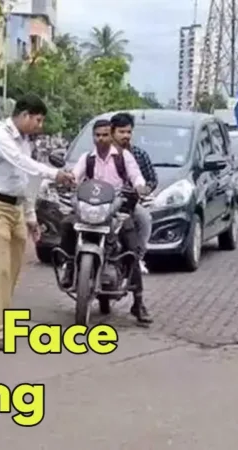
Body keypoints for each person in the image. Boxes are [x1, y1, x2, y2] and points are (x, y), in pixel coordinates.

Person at [0, 94, 75, 350]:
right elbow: (22, 163)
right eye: (37, 120)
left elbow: (25, 181)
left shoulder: (25, 142)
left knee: (12, 270)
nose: (39, 126)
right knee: (0, 270)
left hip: (16, 209)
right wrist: (55, 174)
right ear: (23, 115)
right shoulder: (0, 136)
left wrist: (30, 216)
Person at [58, 119, 153, 324]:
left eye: (105, 135)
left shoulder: (123, 157)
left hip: (116, 211)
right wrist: (68, 181)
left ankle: (138, 302)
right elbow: (75, 176)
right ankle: (69, 267)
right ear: (93, 137)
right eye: (97, 135)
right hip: (90, 209)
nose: (101, 139)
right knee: (66, 224)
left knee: (132, 250)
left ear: (111, 135)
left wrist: (139, 186)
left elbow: (136, 176)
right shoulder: (87, 158)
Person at [110, 112, 158, 274]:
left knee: (144, 218)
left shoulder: (139, 155)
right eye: (121, 131)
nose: (126, 135)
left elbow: (151, 179)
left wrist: (143, 190)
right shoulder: (100, 154)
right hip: (103, 202)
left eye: (128, 132)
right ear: (112, 131)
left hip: (129, 204)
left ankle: (138, 257)